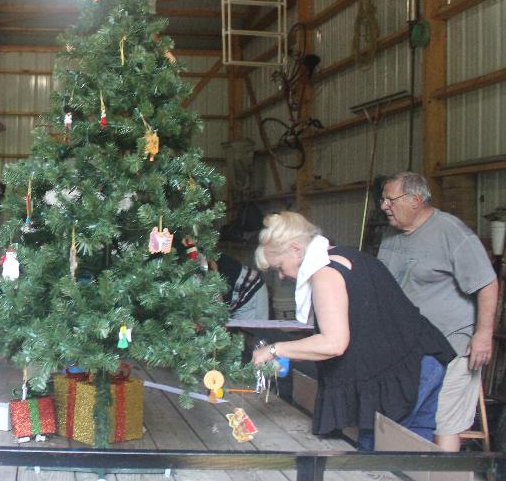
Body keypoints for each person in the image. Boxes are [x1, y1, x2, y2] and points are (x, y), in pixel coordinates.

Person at [251, 211, 455, 450]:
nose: (282, 276)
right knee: (415, 463)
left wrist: (275, 349)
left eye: (280, 267)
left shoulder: (325, 273)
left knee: (377, 462)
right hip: (423, 360)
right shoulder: (346, 255)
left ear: (295, 249)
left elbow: (333, 343)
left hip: (402, 376)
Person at [377, 172, 499, 452]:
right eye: (382, 199)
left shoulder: (451, 233)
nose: (384, 205)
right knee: (408, 417)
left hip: (452, 344)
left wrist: (483, 334)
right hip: (407, 346)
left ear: (415, 201)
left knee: (445, 421)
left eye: (390, 199)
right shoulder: (391, 234)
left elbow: (487, 283)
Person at [211, 253, 269, 321]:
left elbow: (218, 306)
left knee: (253, 329)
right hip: (235, 293)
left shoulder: (206, 262)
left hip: (250, 291)